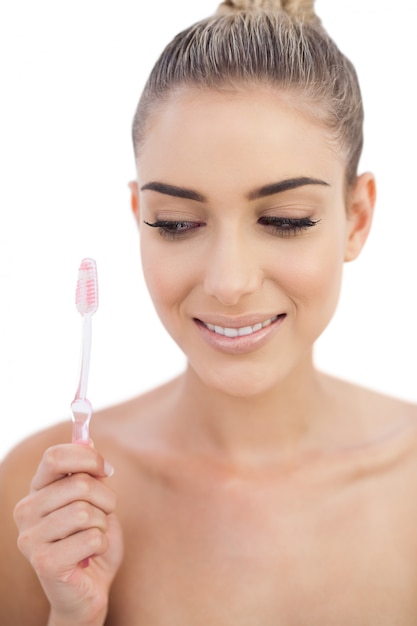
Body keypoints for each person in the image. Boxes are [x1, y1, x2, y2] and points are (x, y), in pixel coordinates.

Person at [1, 0, 417, 623]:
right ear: (138, 214)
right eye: (177, 224)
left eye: (284, 221)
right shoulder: (48, 504)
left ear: (356, 219)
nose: (229, 282)